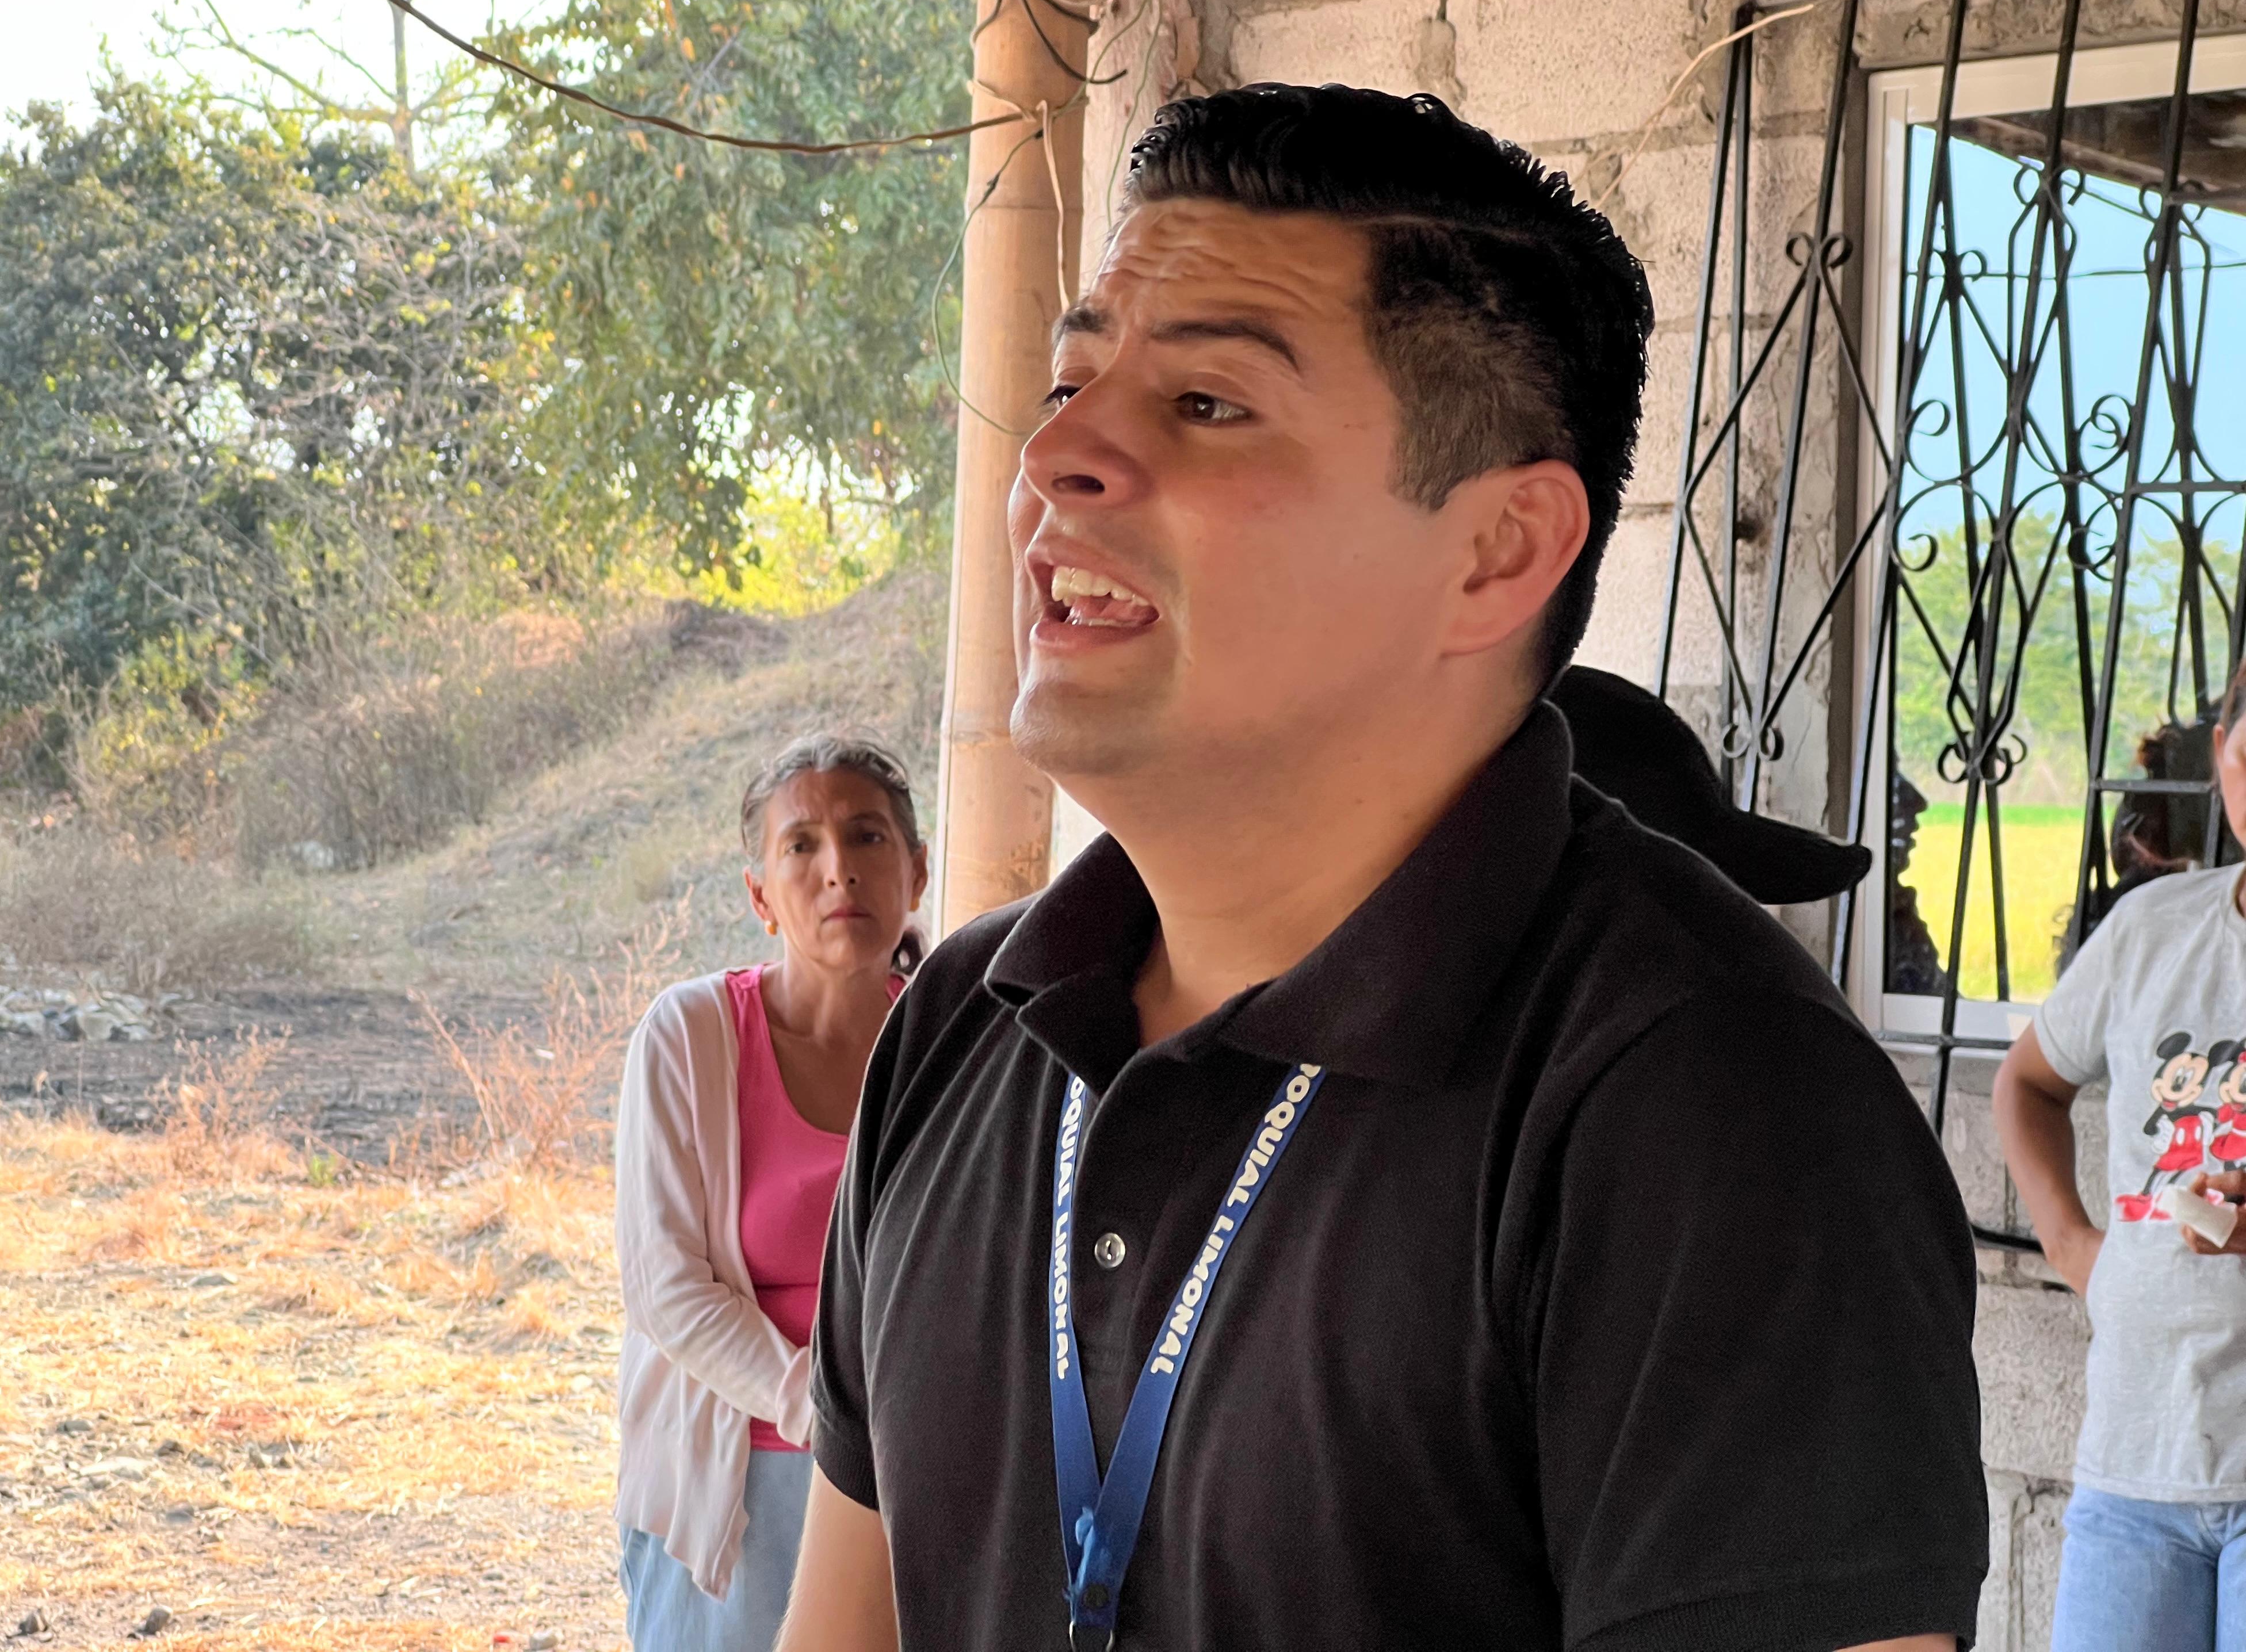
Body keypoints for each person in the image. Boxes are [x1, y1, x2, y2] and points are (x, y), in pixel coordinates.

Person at [781, 84, 1987, 1652]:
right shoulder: (959, 1026)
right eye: (1070, 382)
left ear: (1496, 551)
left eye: (1207, 402)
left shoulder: (1709, 1107)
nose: (1058, 453)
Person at [612, 733, 927, 1652]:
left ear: (916, 871)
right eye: (802, 845)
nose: (839, 870)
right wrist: (828, 1419)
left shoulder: (953, 1042)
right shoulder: (691, 1035)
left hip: (909, 1478)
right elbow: (667, 1290)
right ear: (760, 896)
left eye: (867, 837)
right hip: (735, 1478)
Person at [1995, 656, 2246, 1652]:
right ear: (2224, 758)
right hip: (2134, 1470)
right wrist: (2071, 1245)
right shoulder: (2152, 929)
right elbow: (2028, 1083)